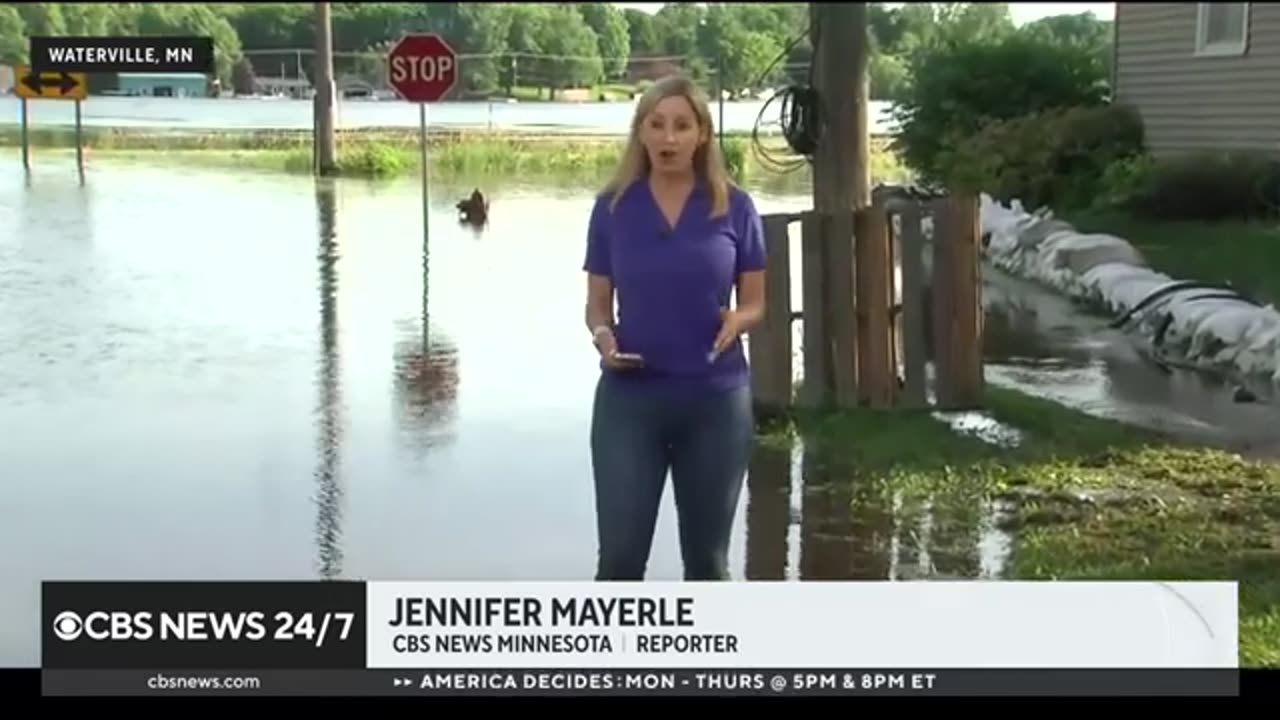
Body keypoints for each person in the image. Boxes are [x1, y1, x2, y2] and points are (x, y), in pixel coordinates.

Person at [581, 74, 768, 581]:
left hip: (715, 403)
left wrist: (739, 319)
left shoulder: (736, 207)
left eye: (682, 126)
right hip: (629, 404)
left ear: (702, 134)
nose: (668, 138)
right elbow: (597, 306)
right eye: (657, 125)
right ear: (640, 133)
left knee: (708, 565)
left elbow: (755, 303)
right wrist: (604, 339)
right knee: (619, 562)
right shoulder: (612, 208)